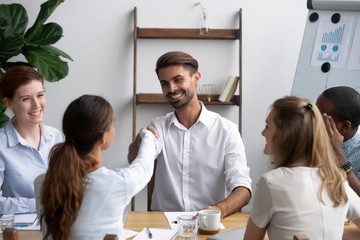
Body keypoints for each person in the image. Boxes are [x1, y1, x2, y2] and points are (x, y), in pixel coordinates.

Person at [128, 51, 251, 218]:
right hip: (163, 226)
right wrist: (139, 143)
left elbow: (243, 189)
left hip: (208, 225)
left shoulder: (227, 130)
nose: (171, 89)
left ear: (196, 78)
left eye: (178, 80)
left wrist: (218, 210)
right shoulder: (158, 127)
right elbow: (137, 164)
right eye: (164, 83)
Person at [34, 94, 158, 240]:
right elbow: (144, 166)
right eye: (113, 124)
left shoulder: (42, 182)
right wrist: (147, 135)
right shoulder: (116, 183)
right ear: (103, 137)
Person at [244, 96, 360, 240]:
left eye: (267, 126)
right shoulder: (337, 180)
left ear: (284, 135)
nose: (262, 133)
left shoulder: (271, 183)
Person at [0, 66, 63, 214]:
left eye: (40, 95)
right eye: (26, 99)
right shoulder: (1, 144)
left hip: (58, 224)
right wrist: (39, 205)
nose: (36, 105)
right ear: (9, 103)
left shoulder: (55, 136)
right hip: (16, 231)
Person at [316, 86, 360, 196]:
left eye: (319, 117)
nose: (313, 120)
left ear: (344, 126)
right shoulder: (313, 133)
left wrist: (338, 155)